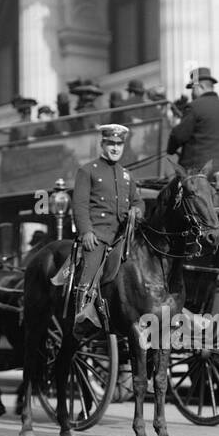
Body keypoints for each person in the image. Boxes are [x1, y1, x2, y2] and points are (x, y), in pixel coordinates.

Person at [71, 123, 143, 337]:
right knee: (91, 268)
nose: (115, 148)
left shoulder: (126, 175)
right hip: (98, 236)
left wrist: (136, 212)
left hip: (122, 239)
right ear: (102, 144)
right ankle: (82, 316)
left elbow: (138, 202)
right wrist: (86, 232)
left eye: (119, 144)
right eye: (110, 143)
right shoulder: (88, 171)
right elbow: (80, 204)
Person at [166, 66, 219, 176]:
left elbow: (178, 136)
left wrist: (170, 149)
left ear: (201, 87)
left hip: (197, 172)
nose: (192, 94)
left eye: (193, 89)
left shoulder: (194, 107)